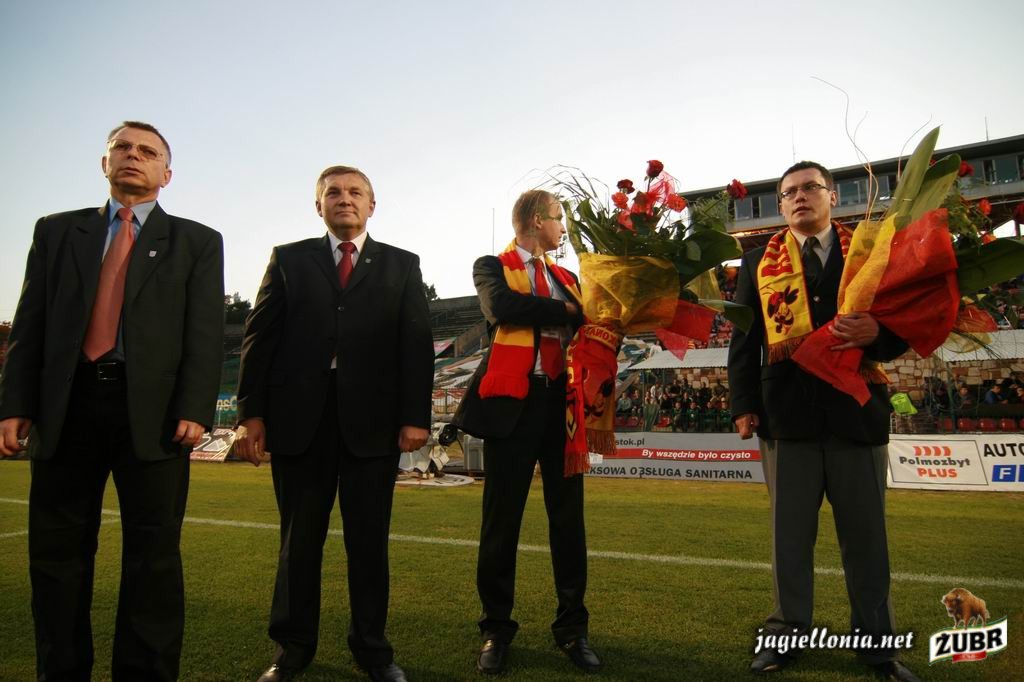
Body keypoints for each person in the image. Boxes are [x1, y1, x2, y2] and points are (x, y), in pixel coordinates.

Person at [0, 121, 224, 681]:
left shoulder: (198, 241)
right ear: (104, 164)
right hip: (66, 407)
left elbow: (204, 332)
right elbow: (30, 322)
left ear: (166, 174)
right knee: (56, 556)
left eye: (147, 151)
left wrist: (195, 406)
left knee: (154, 557)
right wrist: (14, 402)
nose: (133, 156)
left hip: (154, 415)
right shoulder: (56, 231)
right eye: (121, 148)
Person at [233, 166, 433, 682]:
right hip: (299, 422)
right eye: (334, 193)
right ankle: (292, 649)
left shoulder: (402, 264)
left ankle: (373, 650)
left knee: (368, 544)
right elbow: (259, 338)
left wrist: (415, 416)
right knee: (299, 543)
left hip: (374, 425)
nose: (345, 199)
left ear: (372, 205)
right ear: (317, 205)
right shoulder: (288, 259)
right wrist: (250, 414)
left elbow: (415, 346)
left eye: (355, 192)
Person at [728, 161, 918, 681]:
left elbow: (900, 324)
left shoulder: (870, 251)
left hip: (857, 412)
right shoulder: (755, 262)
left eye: (810, 187)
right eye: (789, 192)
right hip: (785, 416)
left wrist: (878, 334)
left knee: (867, 540)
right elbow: (744, 340)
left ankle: (878, 647)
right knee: (789, 540)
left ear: (833, 195)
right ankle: (785, 636)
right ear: (781, 205)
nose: (799, 197)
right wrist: (743, 404)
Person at [452, 189, 600, 675]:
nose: (563, 229)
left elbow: (590, 322)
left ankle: (573, 629)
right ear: (537, 221)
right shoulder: (491, 267)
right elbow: (503, 307)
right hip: (513, 405)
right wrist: (567, 313)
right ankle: (496, 629)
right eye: (558, 219)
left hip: (563, 405)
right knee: (501, 524)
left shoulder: (568, 278)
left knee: (569, 522)